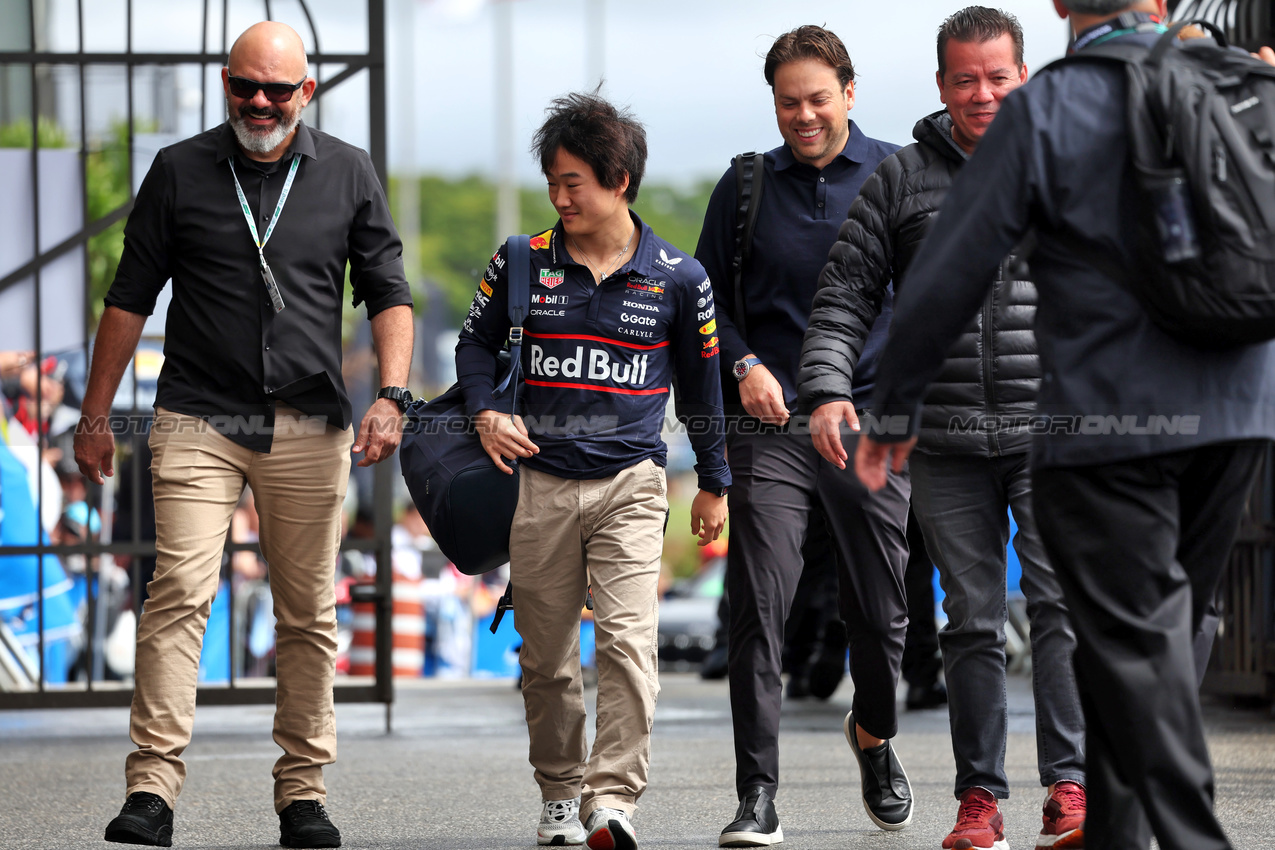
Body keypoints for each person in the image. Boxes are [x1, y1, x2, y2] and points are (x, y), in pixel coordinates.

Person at [855, 2, 1275, 849]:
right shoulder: (1241, 80)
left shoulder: (1049, 105)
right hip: (1238, 413)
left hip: (1110, 426)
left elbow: (950, 265)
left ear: (1056, 7)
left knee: (1130, 645)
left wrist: (894, 403)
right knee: (1145, 638)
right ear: (1155, 2)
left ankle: (1194, 838)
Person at [74, 20, 413, 849]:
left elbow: (387, 290)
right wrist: (94, 417)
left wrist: (393, 395)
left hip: (309, 420)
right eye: (243, 86)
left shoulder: (348, 172)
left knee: (306, 611)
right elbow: (129, 298)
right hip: (198, 412)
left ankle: (302, 794)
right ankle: (151, 788)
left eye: (276, 89)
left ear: (307, 92)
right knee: (179, 594)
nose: (258, 103)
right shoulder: (180, 169)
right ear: (225, 83)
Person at [798, 8, 1086, 849]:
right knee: (967, 618)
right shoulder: (901, 180)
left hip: (1050, 430)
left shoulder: (1063, 161)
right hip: (945, 441)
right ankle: (979, 801)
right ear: (939, 85)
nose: (982, 93)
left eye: (997, 77)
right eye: (964, 78)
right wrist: (823, 387)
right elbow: (843, 295)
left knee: (1056, 605)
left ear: (1023, 77)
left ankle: (1068, 790)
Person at [456, 91, 730, 850]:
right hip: (536, 486)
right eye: (551, 180)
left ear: (619, 180)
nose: (559, 196)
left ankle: (611, 801)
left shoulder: (681, 278)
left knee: (627, 645)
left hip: (632, 487)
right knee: (544, 662)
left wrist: (713, 481)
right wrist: (485, 409)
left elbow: (704, 389)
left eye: (574, 181)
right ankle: (558, 790)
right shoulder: (519, 259)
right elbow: (473, 348)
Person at [694, 25, 913, 846]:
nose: (804, 115)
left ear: (849, 94)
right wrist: (743, 361)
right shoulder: (746, 185)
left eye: (818, 98)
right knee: (761, 599)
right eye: (788, 102)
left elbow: (930, 296)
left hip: (866, 422)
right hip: (771, 424)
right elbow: (702, 299)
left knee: (880, 608)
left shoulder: (897, 176)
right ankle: (756, 793)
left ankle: (873, 730)